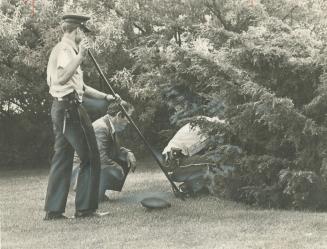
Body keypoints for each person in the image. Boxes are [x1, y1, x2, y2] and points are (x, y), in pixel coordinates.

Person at [44, 13, 122, 220]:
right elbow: (61, 79)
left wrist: (106, 96)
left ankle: (53, 211)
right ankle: (86, 209)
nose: (84, 36)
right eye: (83, 32)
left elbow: (81, 86)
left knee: (62, 158)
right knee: (90, 156)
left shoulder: (66, 50)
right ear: (77, 30)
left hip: (62, 108)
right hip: (70, 109)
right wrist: (80, 57)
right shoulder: (65, 50)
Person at [71, 101, 137, 202]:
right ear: (119, 115)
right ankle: (90, 193)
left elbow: (115, 149)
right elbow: (100, 158)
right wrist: (118, 168)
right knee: (120, 165)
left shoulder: (108, 125)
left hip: (90, 165)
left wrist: (128, 153)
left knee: (124, 160)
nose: (129, 122)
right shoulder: (101, 127)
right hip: (81, 169)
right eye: (128, 117)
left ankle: (98, 193)